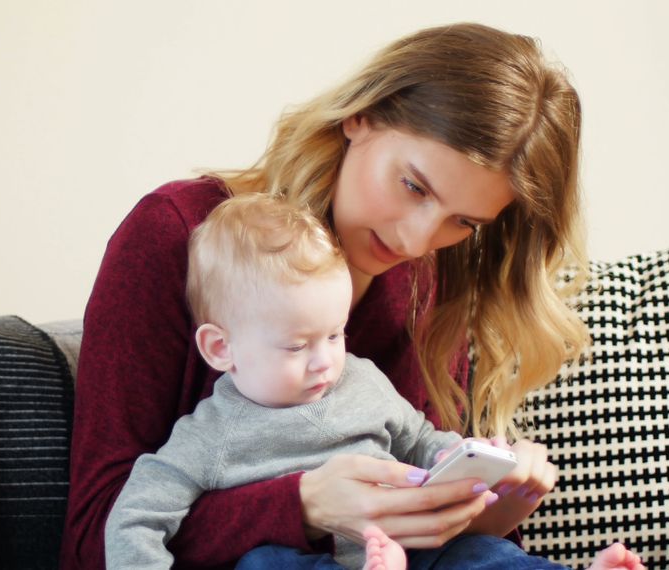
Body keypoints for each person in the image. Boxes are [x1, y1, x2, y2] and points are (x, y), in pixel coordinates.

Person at [61, 22, 616, 568]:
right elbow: (93, 539)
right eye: (414, 186)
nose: (416, 240)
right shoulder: (176, 236)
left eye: (463, 222)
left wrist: (482, 510)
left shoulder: (429, 285)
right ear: (361, 117)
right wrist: (301, 506)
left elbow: (426, 512)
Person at [102, 193, 644, 570]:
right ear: (222, 349)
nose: (323, 363)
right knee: (266, 563)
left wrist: (468, 457)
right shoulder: (210, 435)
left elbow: (421, 439)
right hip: (307, 558)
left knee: (484, 559)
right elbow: (135, 517)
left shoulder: (360, 380)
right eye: (295, 346)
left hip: (412, 550)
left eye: (335, 335)